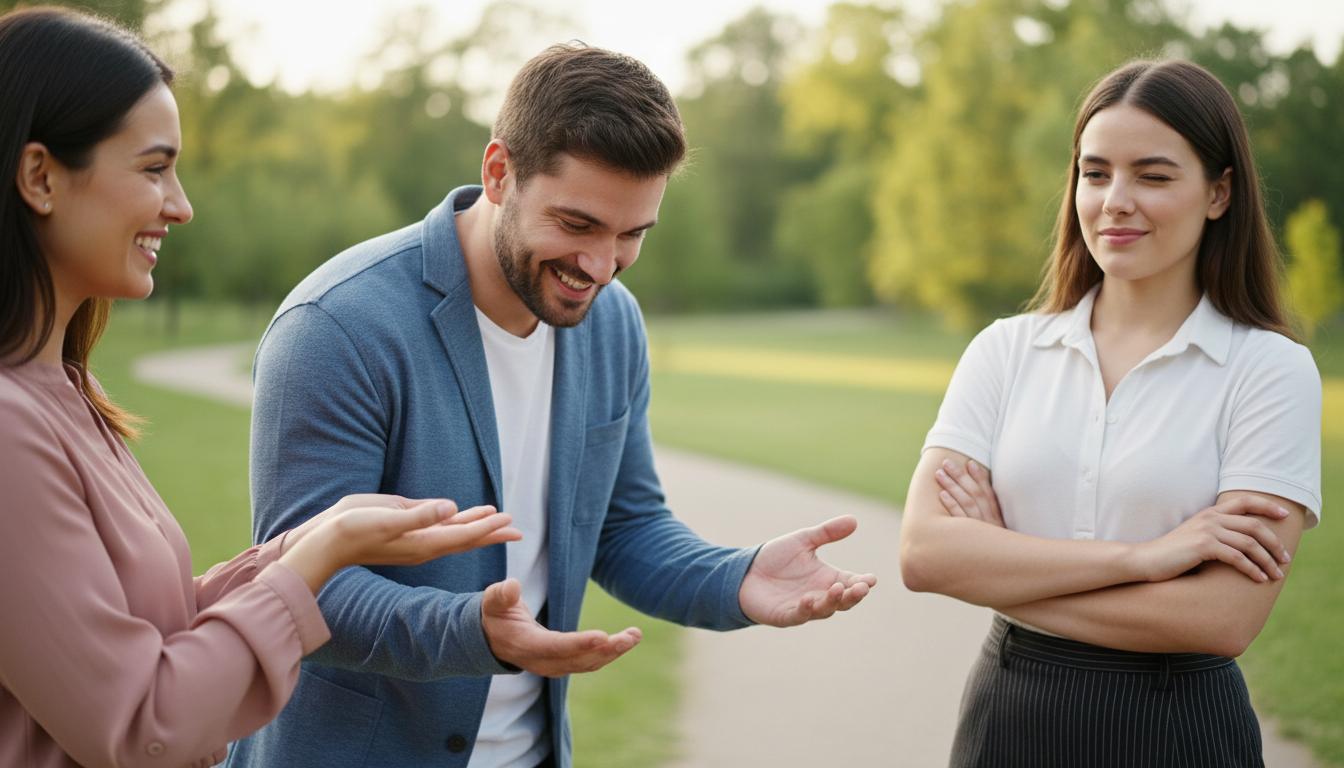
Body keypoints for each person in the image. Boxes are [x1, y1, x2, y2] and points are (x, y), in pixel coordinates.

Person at [224, 42, 878, 768]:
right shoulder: (338, 326)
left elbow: (623, 527)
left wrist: (736, 577)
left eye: (631, 235)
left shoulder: (613, 320)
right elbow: (300, 587)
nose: (600, 268)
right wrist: (475, 630)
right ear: (499, 172)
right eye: (578, 225)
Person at [0, 8, 523, 767]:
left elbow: (158, 632)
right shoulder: (12, 431)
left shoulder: (66, 393)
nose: (180, 205)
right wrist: (317, 561)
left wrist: (309, 542)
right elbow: (145, 724)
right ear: (40, 176)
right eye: (153, 168)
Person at [899, 58, 1320, 767]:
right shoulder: (1005, 351)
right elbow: (924, 555)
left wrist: (999, 566)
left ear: (1219, 192)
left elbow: (1222, 619)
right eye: (1095, 174)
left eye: (1152, 177)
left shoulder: (1269, 371)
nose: (1115, 201)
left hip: (1179, 730)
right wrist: (1144, 559)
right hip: (1008, 722)